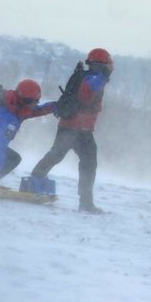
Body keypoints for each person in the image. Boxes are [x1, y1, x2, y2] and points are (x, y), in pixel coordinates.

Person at [28, 48, 113, 213]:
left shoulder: (85, 76)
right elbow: (86, 94)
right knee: (75, 160)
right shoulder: (93, 79)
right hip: (74, 128)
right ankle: (85, 203)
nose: (111, 66)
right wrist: (105, 75)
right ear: (101, 64)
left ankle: (35, 180)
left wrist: (105, 76)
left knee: (59, 156)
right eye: (108, 63)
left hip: (79, 128)